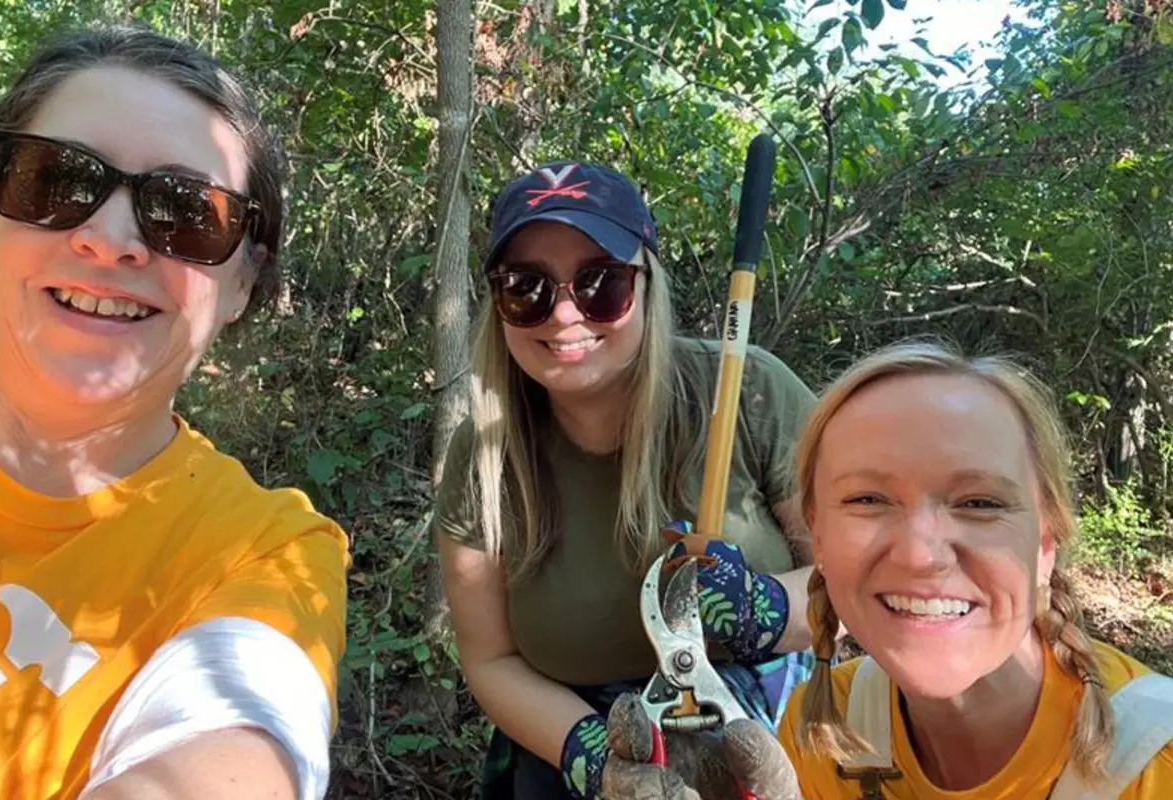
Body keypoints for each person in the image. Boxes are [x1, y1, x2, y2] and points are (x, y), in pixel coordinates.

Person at [0, 24, 349, 800]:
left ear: (245, 283)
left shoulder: (263, 556)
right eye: (55, 181)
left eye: (186, 212)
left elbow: (233, 747)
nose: (109, 241)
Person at [434, 159, 821, 799]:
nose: (562, 317)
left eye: (601, 284)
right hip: (568, 748)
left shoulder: (748, 393)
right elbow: (490, 659)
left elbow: (858, 584)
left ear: (646, 286)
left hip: (774, 745)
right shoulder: (485, 457)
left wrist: (769, 610)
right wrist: (593, 760)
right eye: (525, 287)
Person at [768, 340, 1173, 798]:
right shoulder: (824, 733)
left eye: (980, 503)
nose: (920, 556)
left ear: (1045, 543)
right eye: (868, 500)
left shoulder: (1157, 766)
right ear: (817, 535)